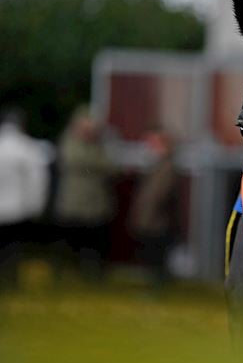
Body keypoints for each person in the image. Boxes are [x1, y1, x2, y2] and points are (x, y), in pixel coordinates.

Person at [54, 105, 116, 282]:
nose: (89, 131)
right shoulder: (69, 141)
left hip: (96, 204)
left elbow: (112, 168)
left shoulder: (99, 145)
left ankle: (92, 274)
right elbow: (74, 160)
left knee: (95, 243)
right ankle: (66, 273)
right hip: (73, 203)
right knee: (70, 242)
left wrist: (94, 164)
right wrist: (97, 165)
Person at [0, 108, 52, 290]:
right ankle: (11, 280)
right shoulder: (28, 148)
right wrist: (37, 206)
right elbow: (38, 181)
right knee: (13, 248)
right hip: (17, 208)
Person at [127, 129, 180, 290]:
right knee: (149, 255)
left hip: (158, 221)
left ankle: (158, 287)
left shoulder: (167, 166)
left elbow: (160, 195)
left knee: (157, 257)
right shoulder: (155, 165)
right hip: (150, 219)